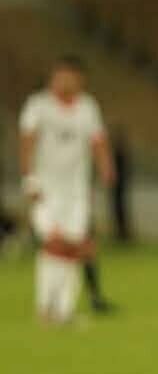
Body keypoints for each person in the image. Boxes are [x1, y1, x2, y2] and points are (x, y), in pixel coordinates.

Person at [19, 56, 116, 324]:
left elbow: (98, 140)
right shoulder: (38, 106)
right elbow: (27, 142)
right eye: (59, 76)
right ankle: (44, 307)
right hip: (46, 189)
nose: (63, 82)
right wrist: (30, 180)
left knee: (75, 248)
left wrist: (106, 167)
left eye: (69, 77)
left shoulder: (87, 107)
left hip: (76, 191)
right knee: (54, 243)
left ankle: (63, 310)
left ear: (80, 80)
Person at [109, 125, 133, 243]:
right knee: (118, 210)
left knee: (120, 210)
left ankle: (123, 234)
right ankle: (121, 233)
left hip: (120, 187)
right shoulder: (119, 153)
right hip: (117, 187)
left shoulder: (120, 154)